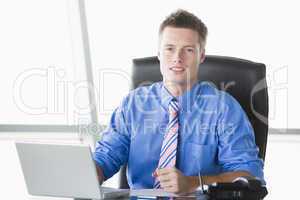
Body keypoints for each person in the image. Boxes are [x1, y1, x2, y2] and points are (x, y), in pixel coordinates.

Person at [93, 9, 265, 194]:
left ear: (201, 56)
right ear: (158, 53)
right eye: (169, 48)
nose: (177, 58)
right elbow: (105, 158)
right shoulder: (133, 104)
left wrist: (195, 183)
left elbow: (250, 176)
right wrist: (90, 172)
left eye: (188, 50)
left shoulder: (224, 109)